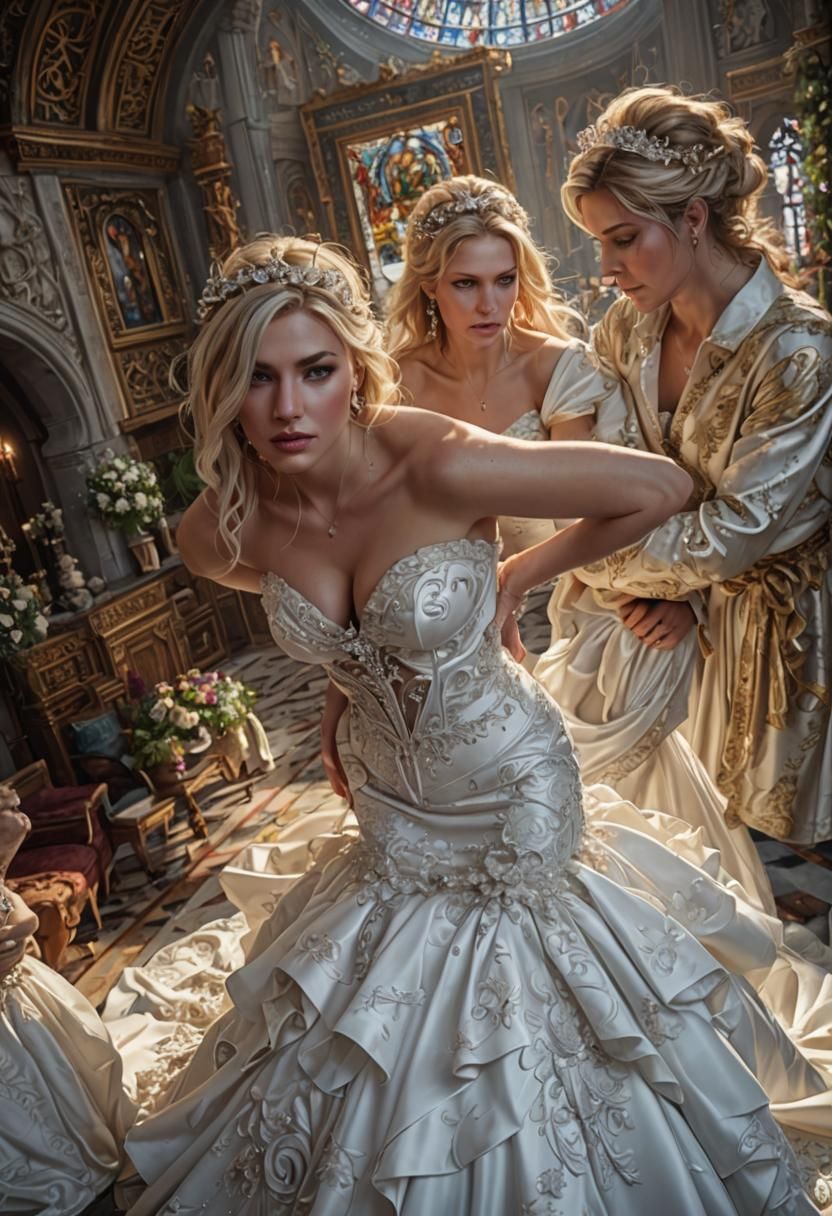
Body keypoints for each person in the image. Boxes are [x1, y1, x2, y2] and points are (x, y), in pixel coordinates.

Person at [124, 234, 828, 1214]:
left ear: (354, 371)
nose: (287, 407)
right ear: (222, 390)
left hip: (507, 786)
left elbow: (659, 489)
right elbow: (339, 618)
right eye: (257, 377)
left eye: (315, 371)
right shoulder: (223, 523)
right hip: (387, 799)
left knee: (521, 1020)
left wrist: (514, 575)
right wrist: (344, 676)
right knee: (368, 1030)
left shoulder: (437, 463)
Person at [380, 172, 773, 914]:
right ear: (429, 285)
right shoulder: (393, 385)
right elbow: (382, 532)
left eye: (504, 280)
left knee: (585, 800)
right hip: (444, 624)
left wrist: (519, 583)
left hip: (577, 602)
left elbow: (592, 514)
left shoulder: (558, 365)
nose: (490, 304)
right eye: (466, 284)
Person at [551, 84, 832, 846]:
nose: (607, 268)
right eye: (599, 243)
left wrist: (587, 559)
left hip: (783, 636)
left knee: (788, 859)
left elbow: (733, 533)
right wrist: (669, 597)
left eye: (623, 238)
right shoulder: (624, 331)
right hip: (664, 631)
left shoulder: (797, 348)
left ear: (695, 218)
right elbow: (606, 478)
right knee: (688, 853)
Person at [0, 787, 136, 1216]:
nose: (13, 797)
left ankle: (80, 1145)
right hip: (11, 1016)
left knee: (73, 1074)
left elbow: (19, 915)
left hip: (24, 997)